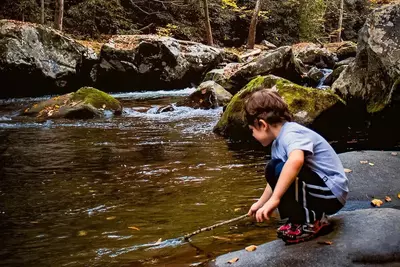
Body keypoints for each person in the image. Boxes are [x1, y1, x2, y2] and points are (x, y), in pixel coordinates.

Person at [244, 89, 348, 244]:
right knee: (273, 168)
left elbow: (296, 161)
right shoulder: (277, 144)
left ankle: (311, 222)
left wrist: (276, 199)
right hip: (317, 191)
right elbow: (277, 180)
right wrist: (261, 203)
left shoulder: (291, 133)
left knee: (283, 168)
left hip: (331, 193)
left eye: (252, 130)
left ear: (262, 124)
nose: (252, 135)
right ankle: (297, 221)